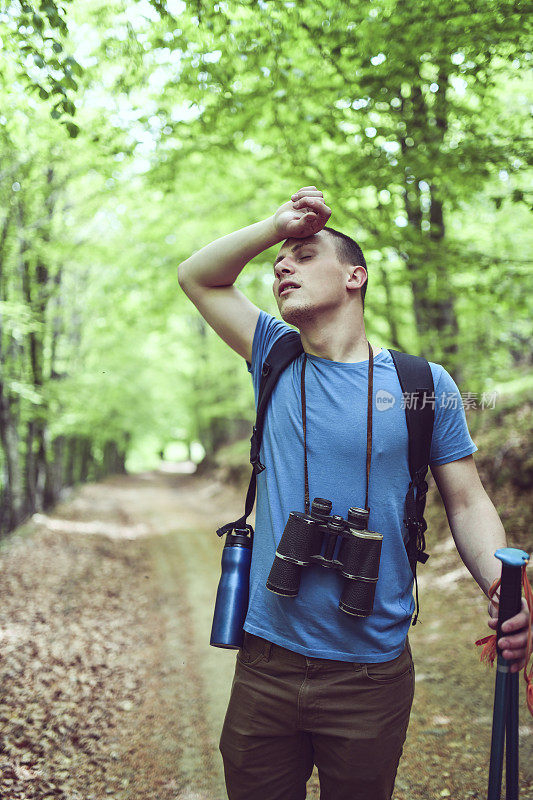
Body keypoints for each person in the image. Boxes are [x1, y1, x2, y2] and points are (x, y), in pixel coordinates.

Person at [178, 186, 531, 800]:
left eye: (304, 254)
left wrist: (503, 585)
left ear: (354, 277)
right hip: (266, 662)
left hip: (370, 674)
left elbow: (469, 502)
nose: (281, 266)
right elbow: (197, 277)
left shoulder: (425, 384)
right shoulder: (272, 354)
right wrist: (277, 225)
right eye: (276, 263)